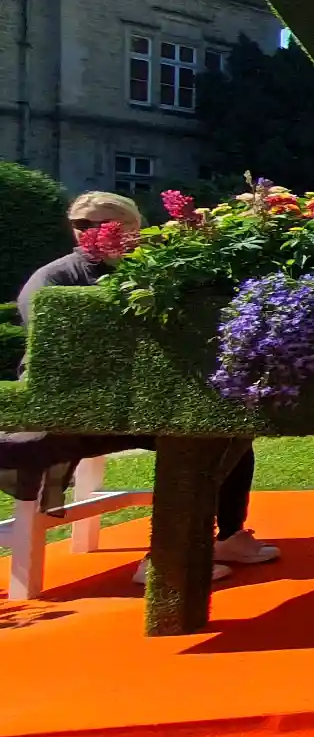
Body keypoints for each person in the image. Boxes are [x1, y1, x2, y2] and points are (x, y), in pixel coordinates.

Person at [13, 191, 278, 576]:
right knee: (199, 434)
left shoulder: (157, 270)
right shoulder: (54, 279)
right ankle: (169, 556)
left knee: (230, 425)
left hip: (140, 397)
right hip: (79, 401)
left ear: (134, 227)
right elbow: (58, 354)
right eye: (81, 224)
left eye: (104, 223)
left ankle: (227, 536)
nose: (90, 232)